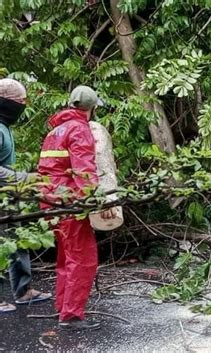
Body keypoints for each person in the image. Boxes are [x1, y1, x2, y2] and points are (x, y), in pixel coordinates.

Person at [38, 85, 115, 330]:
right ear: (91, 109)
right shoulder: (80, 130)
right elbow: (84, 171)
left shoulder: (56, 130)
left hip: (51, 202)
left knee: (66, 256)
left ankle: (63, 306)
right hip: (71, 202)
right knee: (83, 258)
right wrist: (99, 202)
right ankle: (71, 315)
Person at [0, 78, 52, 314]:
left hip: (8, 195)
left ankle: (23, 290)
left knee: (17, 240)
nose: (23, 106)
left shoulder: (4, 127)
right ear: (6, 102)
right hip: (5, 191)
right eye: (19, 102)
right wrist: (23, 178)